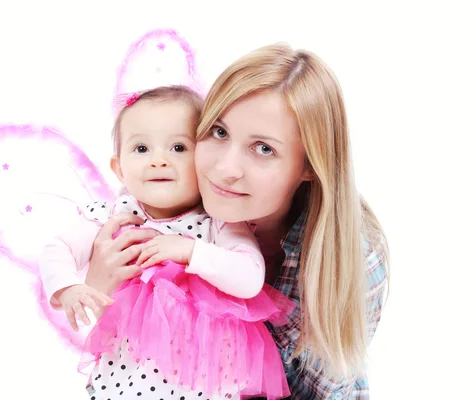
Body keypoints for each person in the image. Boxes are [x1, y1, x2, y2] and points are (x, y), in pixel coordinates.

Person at [82, 44, 390, 399]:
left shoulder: (351, 260)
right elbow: (129, 351)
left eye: (264, 149)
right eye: (219, 131)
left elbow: (321, 392)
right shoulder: (168, 198)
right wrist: (98, 287)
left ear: (309, 166)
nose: (225, 170)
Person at [39, 85, 294, 400]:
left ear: (204, 160)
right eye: (142, 149)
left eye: (177, 148)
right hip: (129, 373)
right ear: (119, 168)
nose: (159, 161)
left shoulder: (216, 220)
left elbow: (250, 278)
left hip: (202, 378)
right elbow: (58, 249)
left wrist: (191, 251)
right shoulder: (113, 215)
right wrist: (67, 286)